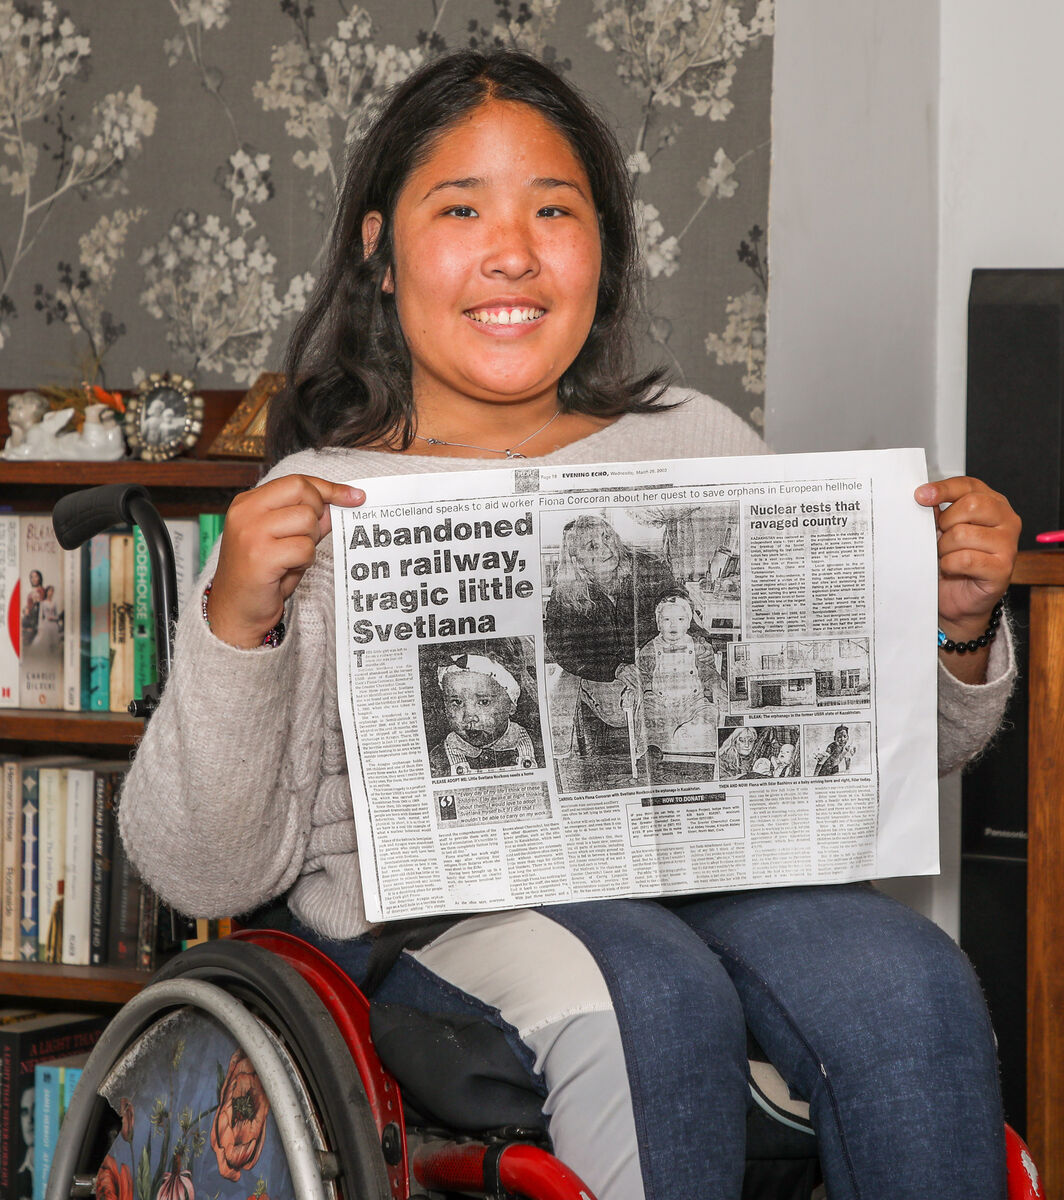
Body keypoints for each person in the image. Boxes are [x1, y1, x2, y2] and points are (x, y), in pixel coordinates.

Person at [118, 48, 1021, 1200]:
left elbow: (882, 762)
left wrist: (954, 626)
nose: (513, 251)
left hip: (724, 877)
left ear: (603, 251)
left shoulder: (696, 438)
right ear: (379, 252)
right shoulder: (315, 503)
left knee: (912, 982)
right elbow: (203, 868)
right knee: (645, 990)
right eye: (460, 209)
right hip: (443, 923)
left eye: (553, 210)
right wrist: (238, 620)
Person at [636, 591, 727, 755]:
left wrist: (716, 687)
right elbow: (641, 675)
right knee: (649, 716)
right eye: (666, 620)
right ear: (658, 624)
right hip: (660, 702)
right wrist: (634, 690)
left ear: (688, 623)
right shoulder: (650, 648)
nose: (673, 625)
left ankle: (688, 733)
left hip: (692, 701)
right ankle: (652, 750)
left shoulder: (696, 647)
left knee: (709, 714)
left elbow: (708, 673)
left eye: (680, 619)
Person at [429, 652, 538, 776]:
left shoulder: (538, 747)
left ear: (511, 705)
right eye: (457, 702)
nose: (469, 717)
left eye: (483, 702)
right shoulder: (437, 759)